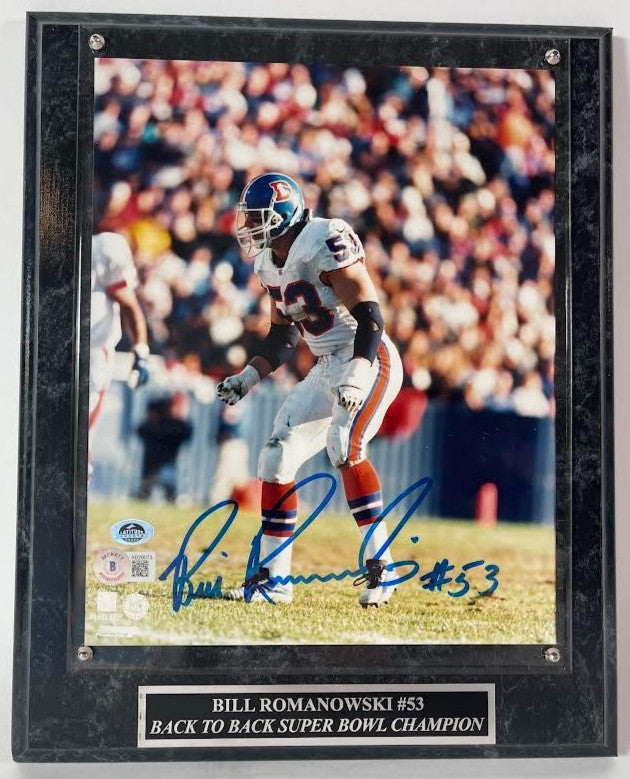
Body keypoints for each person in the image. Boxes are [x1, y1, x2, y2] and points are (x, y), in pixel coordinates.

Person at [217, 173, 403, 607]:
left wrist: (357, 369)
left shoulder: (324, 239)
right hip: (326, 365)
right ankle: (274, 581)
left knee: (344, 443)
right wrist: (248, 377)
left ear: (282, 215)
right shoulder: (269, 263)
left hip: (368, 355)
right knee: (276, 456)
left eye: (257, 217)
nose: (249, 226)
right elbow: (282, 338)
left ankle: (383, 567)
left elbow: (370, 315)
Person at [90, 232, 150, 472]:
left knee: (78, 437)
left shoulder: (104, 247)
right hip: (55, 354)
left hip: (91, 354)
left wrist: (141, 351)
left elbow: (129, 304)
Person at [137, 395, 192, 502]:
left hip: (167, 463)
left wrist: (178, 417)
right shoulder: (153, 425)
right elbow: (141, 431)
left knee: (169, 491)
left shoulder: (175, 425)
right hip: (152, 464)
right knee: (145, 491)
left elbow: (186, 433)